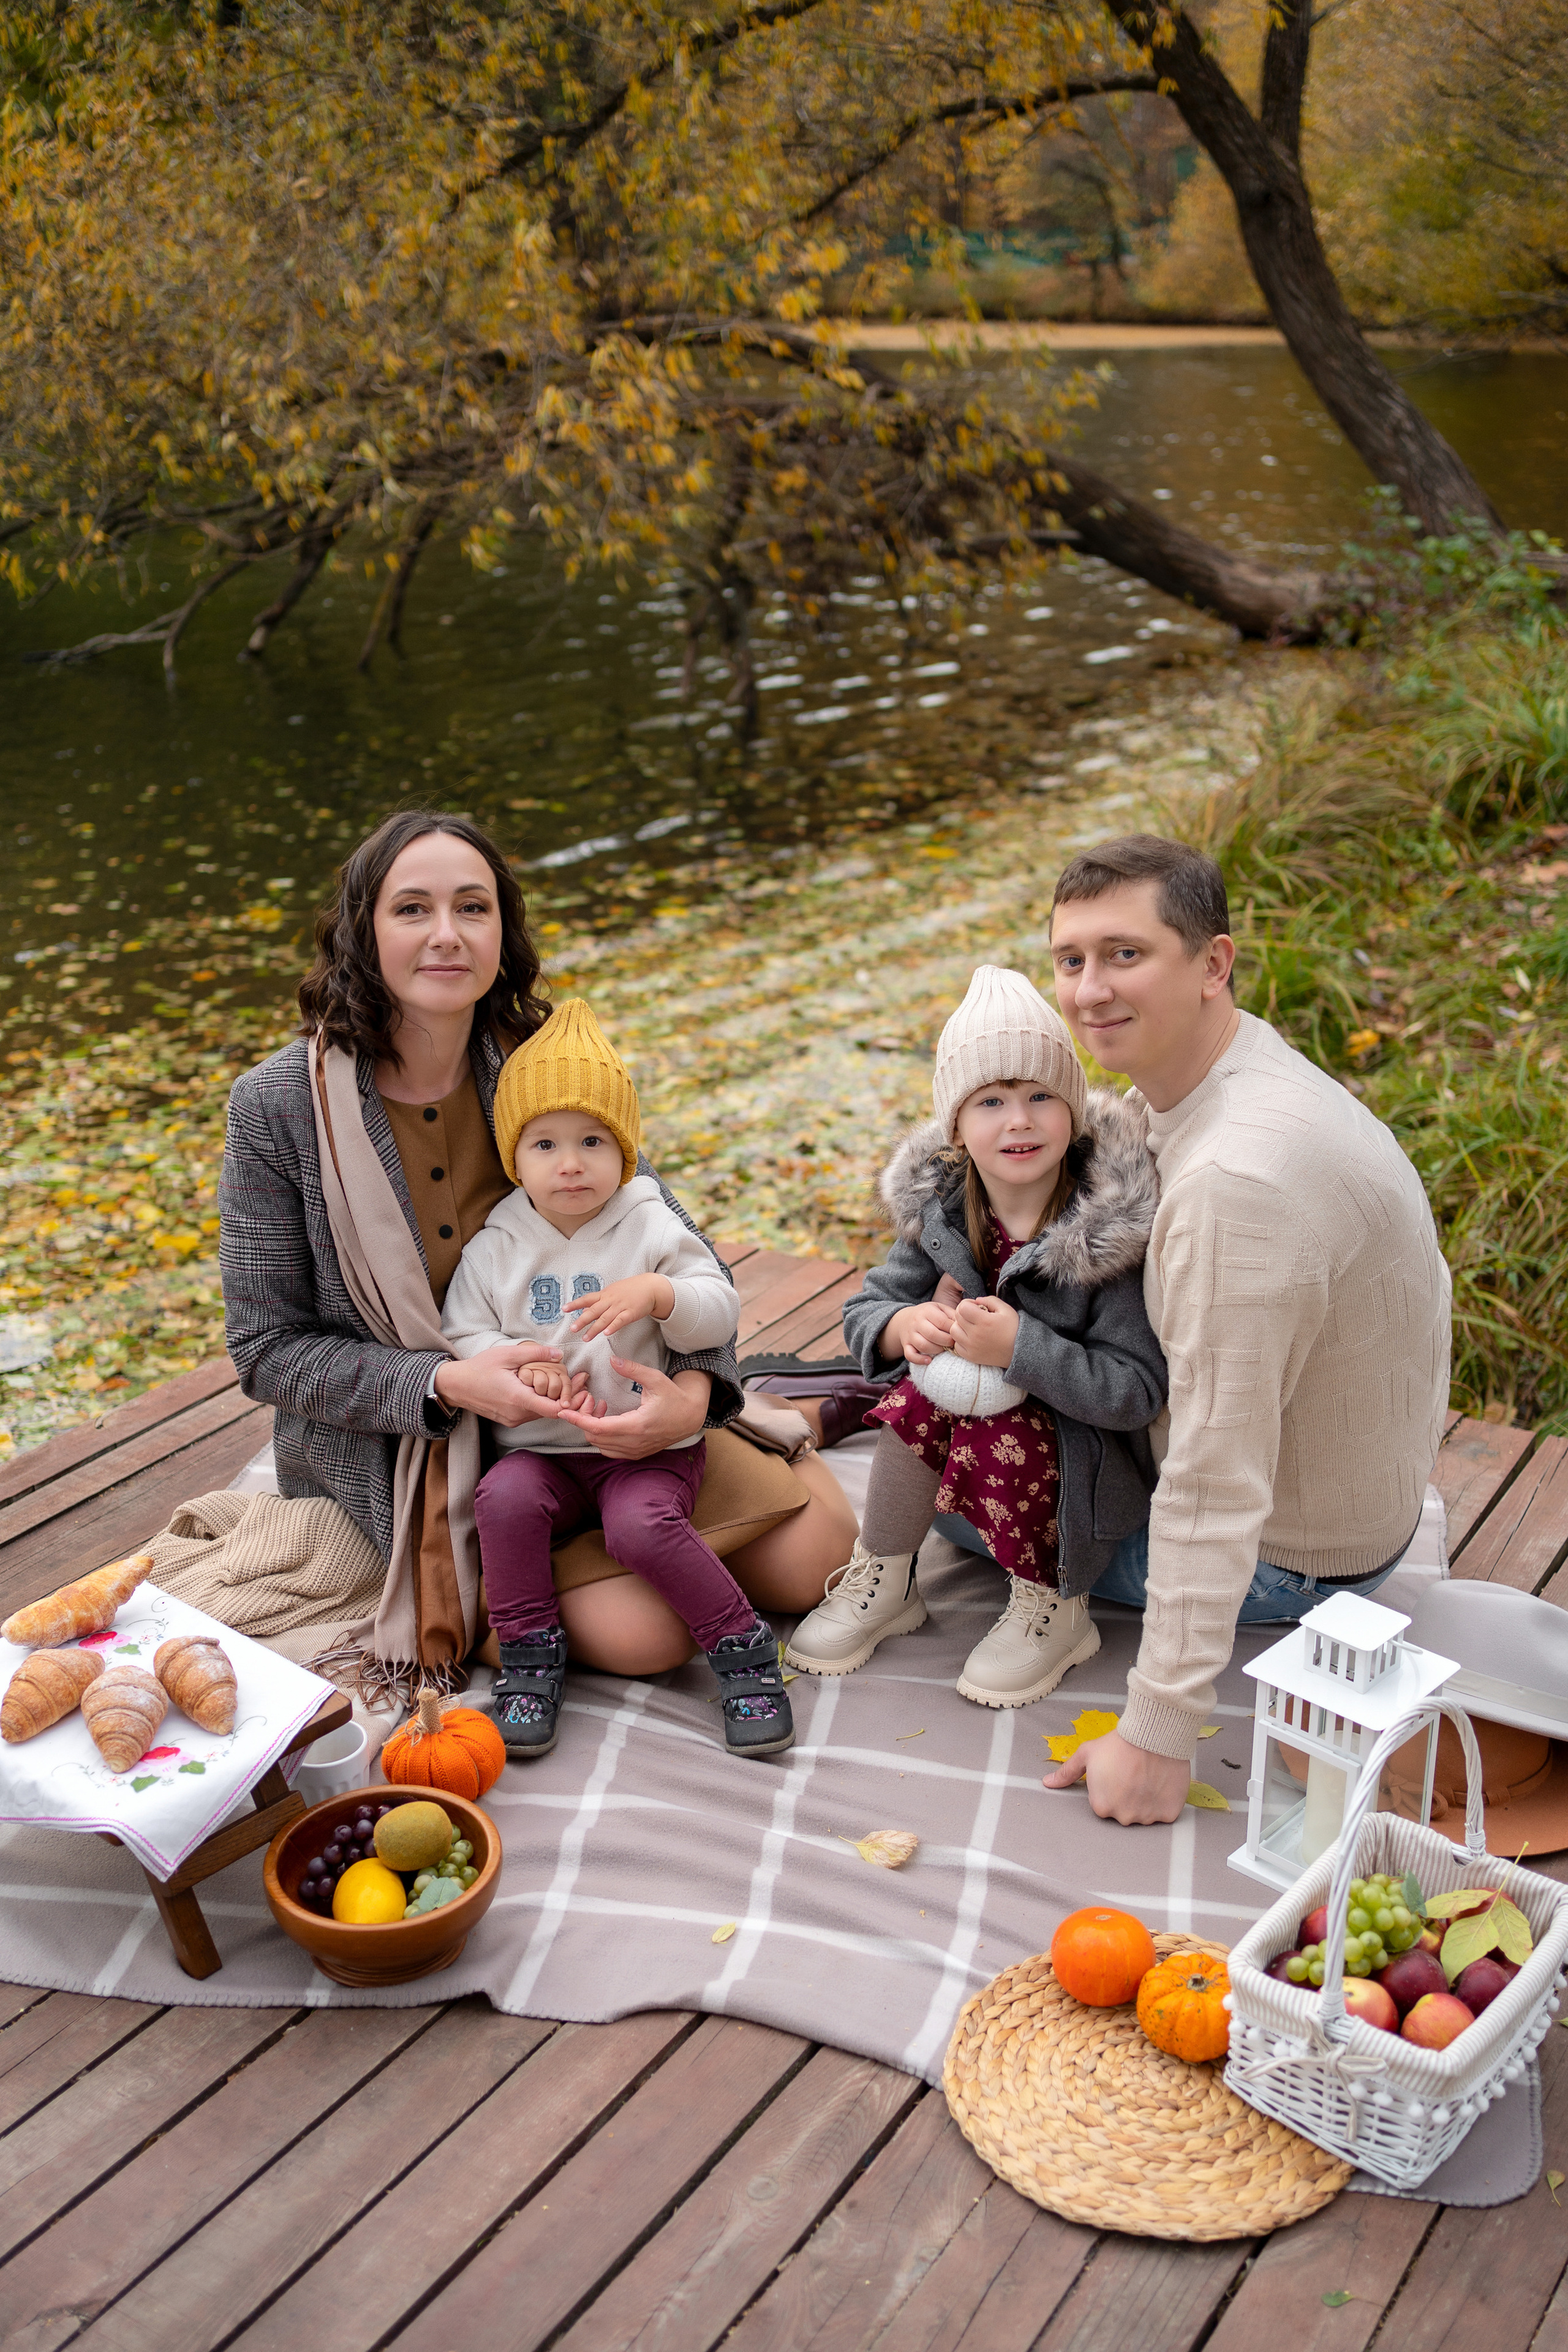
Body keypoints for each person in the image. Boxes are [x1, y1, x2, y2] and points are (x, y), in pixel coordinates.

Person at [219, 809, 855, 1698]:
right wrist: (447, 1383)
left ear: (502, 931)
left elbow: (673, 1247)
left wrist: (697, 1394)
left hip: (606, 1402)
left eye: (472, 907)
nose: (447, 934)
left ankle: (760, 1421)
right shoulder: (279, 1107)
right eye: (412, 909)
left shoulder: (541, 1062)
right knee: (648, 1636)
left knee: (821, 1556)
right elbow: (266, 1350)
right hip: (433, 1443)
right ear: (364, 930)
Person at [1041, 835, 1451, 1826]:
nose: (1090, 990)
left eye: (1125, 955)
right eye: (1070, 960)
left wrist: (1156, 1734)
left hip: (1297, 1562)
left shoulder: (1239, 1183)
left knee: (960, 1480)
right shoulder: (1234, 1071)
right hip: (1359, 1494)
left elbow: (1214, 1473)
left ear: (1213, 964)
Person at [786, 965, 1167, 1706]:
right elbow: (867, 1308)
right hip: (965, 1445)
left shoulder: (1102, 1236)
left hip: (1078, 1461)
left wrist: (1021, 1348)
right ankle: (886, 1576)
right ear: (956, 1127)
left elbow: (1135, 1390)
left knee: (1005, 1425)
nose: (1018, 1121)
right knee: (915, 1400)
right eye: (990, 1101)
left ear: (1073, 1114)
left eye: (1040, 1096)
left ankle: (1054, 1609)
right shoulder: (946, 1211)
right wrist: (904, 1325)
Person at [443, 998, 795, 1760]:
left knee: (640, 1526)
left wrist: (662, 1295)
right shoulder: (497, 1243)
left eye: (593, 1141)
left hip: (646, 1448)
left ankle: (742, 1651)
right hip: (542, 1451)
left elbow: (718, 1311)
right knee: (503, 1500)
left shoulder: (649, 1223)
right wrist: (518, 1360)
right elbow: (463, 1334)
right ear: (513, 1157)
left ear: (626, 1150)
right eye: (545, 1144)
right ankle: (529, 1654)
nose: (570, 1162)